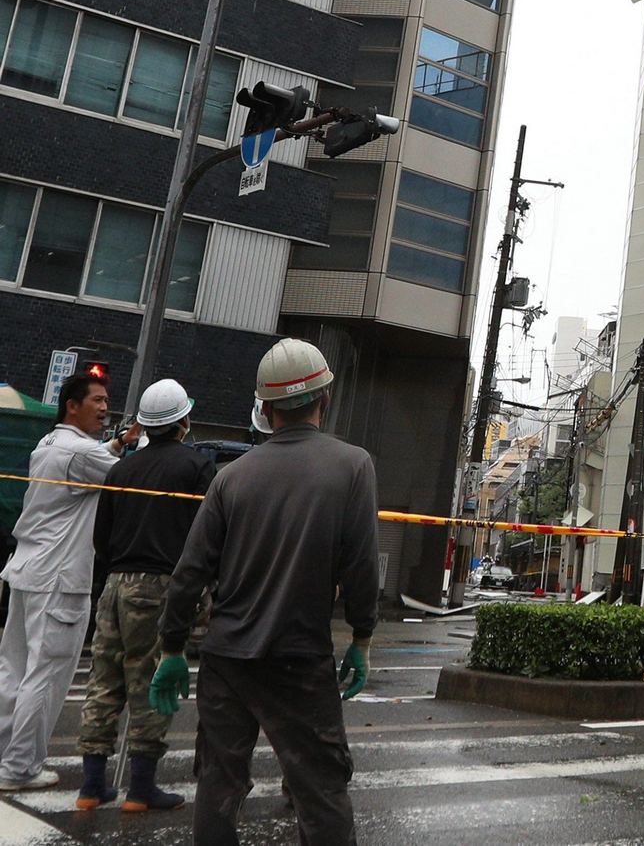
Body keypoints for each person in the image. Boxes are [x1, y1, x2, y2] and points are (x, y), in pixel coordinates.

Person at [151, 340, 378, 846]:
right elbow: (361, 564)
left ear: (265, 407)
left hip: (226, 658)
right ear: (325, 396)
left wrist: (171, 648)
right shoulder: (353, 466)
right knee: (321, 791)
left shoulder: (231, 477)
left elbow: (190, 572)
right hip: (300, 658)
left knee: (218, 786)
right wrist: (362, 635)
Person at [74, 378, 215, 812]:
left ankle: (91, 786)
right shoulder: (196, 467)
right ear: (182, 421)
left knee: (104, 680)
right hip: (161, 585)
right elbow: (208, 533)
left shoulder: (122, 469)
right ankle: (141, 787)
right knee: (151, 679)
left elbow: (102, 537)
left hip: (114, 584)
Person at [0, 370, 138, 791]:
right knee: (48, 672)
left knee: (13, 670)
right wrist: (139, 447)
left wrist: (118, 442)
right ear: (71, 406)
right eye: (95, 400)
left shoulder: (49, 445)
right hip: (59, 579)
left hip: (26, 570)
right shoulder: (82, 454)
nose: (103, 407)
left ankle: (5, 756)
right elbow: (124, 477)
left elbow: (94, 461)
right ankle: (20, 768)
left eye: (104, 400)